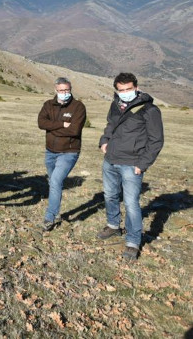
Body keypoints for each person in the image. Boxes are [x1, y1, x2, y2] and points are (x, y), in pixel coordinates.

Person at [97, 72, 164, 261]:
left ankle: (133, 242)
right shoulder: (115, 104)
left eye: (128, 89)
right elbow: (110, 125)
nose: (125, 92)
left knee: (131, 203)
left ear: (136, 87)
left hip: (132, 164)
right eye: (121, 90)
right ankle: (113, 225)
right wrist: (104, 140)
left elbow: (156, 140)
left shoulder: (149, 110)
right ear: (117, 90)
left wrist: (142, 164)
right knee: (110, 195)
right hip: (110, 160)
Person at [37, 77, 87, 231]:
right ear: (55, 90)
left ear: (70, 89)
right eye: (61, 90)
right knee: (53, 182)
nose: (64, 93)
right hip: (50, 151)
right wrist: (61, 124)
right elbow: (41, 123)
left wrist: (52, 127)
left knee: (56, 181)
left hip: (69, 152)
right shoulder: (48, 105)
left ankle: (50, 217)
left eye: (66, 90)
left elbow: (74, 130)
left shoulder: (78, 107)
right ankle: (55, 211)